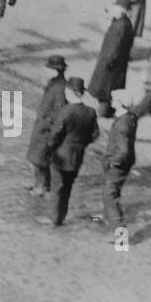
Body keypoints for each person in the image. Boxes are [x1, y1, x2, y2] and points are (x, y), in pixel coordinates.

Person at [37, 77, 99, 227]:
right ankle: (61, 216)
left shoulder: (65, 112)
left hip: (61, 155)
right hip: (77, 156)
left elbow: (55, 135)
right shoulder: (90, 112)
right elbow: (95, 134)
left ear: (71, 92)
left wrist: (50, 149)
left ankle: (55, 219)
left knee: (57, 187)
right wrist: (82, 144)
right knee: (68, 187)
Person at [26, 56, 69, 196]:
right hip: (41, 127)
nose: (45, 70)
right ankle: (39, 183)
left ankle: (43, 187)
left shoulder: (60, 87)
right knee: (36, 157)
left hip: (47, 129)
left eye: (48, 68)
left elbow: (59, 111)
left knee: (41, 159)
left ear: (56, 70)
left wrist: (46, 122)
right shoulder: (53, 83)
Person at [97, 90, 139, 229]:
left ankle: (120, 236)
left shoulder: (122, 124)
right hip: (124, 162)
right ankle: (109, 219)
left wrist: (112, 162)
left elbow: (123, 150)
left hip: (118, 164)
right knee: (112, 192)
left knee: (109, 195)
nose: (112, 101)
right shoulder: (129, 117)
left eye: (115, 99)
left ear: (120, 103)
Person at [88, 0, 135, 115]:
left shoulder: (120, 26)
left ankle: (103, 114)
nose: (113, 10)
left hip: (111, 65)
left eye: (115, 8)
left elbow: (115, 48)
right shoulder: (123, 23)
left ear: (121, 10)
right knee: (110, 89)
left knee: (105, 90)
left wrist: (107, 62)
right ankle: (108, 111)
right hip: (116, 64)